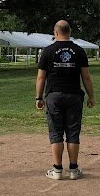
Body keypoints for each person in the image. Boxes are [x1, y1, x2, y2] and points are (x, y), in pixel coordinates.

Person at [36, 20, 95, 180]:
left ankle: (57, 170)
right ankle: (74, 170)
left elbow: (41, 77)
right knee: (73, 133)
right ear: (70, 32)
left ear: (55, 33)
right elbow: (86, 77)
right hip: (74, 96)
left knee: (55, 133)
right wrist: (91, 96)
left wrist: (39, 97)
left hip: (53, 96)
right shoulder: (79, 51)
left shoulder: (47, 51)